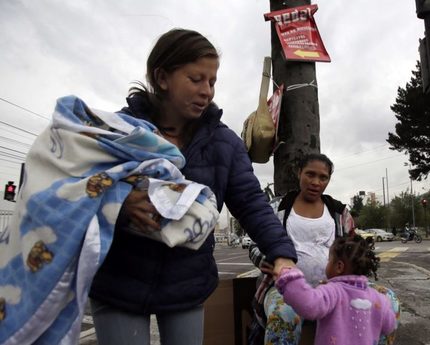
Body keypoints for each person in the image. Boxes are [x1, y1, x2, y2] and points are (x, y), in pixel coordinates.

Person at [88, 28, 297, 345]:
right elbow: (75, 184)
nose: (207, 91)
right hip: (118, 280)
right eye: (196, 79)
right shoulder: (120, 131)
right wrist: (120, 201)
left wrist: (281, 254)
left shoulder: (223, 144)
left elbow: (252, 203)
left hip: (186, 281)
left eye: (212, 81)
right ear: (162, 77)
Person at [248, 153, 400, 345]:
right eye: (310, 174)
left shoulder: (339, 212)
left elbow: (355, 249)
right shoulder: (277, 207)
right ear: (298, 173)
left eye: (323, 177)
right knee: (285, 314)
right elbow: (253, 242)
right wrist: (267, 260)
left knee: (390, 300)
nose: (316, 182)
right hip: (283, 288)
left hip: (338, 287)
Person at [275, 236, 397, 345]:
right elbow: (389, 326)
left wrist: (289, 277)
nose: (327, 263)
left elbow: (309, 305)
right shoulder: (379, 299)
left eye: (329, 260)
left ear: (339, 266)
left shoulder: (332, 291)